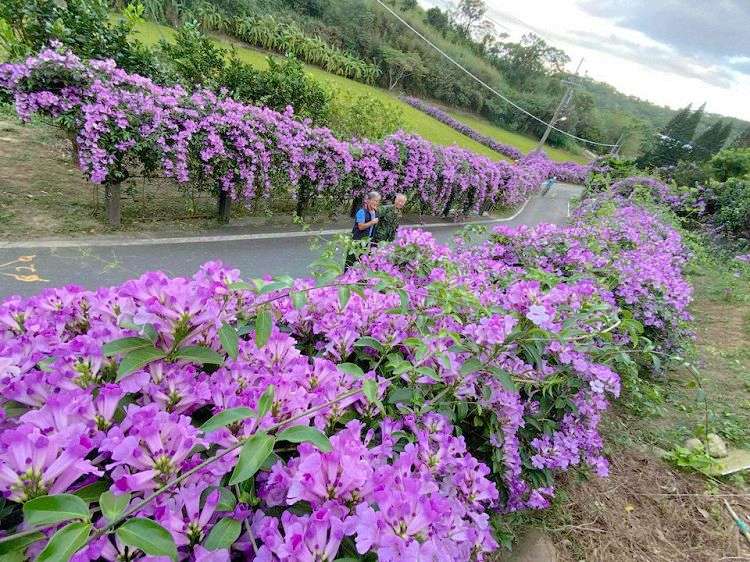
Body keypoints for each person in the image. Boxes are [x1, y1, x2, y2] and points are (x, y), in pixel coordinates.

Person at [345, 191, 381, 269]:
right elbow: (360, 227)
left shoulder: (376, 212)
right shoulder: (361, 212)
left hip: (367, 241)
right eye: (374, 200)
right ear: (368, 200)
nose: (376, 203)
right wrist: (372, 222)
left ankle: (361, 278)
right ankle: (346, 277)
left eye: (377, 201)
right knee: (350, 260)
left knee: (363, 260)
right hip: (357, 240)